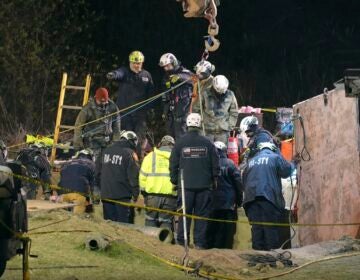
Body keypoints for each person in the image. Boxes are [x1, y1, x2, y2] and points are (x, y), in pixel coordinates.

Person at [170, 113, 220, 249]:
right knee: (201, 216)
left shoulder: (180, 142)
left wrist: (175, 181)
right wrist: (214, 179)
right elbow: (216, 164)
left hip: (185, 186)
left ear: (187, 124)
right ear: (199, 124)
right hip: (204, 186)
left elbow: (173, 163)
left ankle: (181, 242)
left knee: (184, 215)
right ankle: (199, 244)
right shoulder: (208, 143)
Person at [242, 142, 292, 251]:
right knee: (270, 229)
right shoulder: (275, 157)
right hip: (267, 198)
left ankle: (258, 258)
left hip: (250, 200)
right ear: (273, 149)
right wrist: (293, 163)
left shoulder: (250, 162)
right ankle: (271, 259)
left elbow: (244, 181)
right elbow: (286, 171)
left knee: (257, 229)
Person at [106, 50, 154, 158]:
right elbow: (119, 73)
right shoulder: (125, 72)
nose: (136, 65)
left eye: (139, 63)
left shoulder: (147, 76)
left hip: (140, 116)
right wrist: (113, 74)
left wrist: (151, 110)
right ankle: (123, 160)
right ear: (130, 63)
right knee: (124, 139)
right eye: (134, 63)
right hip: (125, 114)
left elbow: (151, 95)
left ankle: (137, 162)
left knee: (139, 140)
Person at [207, 141, 243, 249]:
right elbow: (238, 184)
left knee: (213, 229)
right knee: (228, 231)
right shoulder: (230, 164)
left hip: (212, 203)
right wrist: (239, 201)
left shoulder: (209, 165)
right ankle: (227, 251)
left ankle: (212, 251)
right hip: (228, 204)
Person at [98, 131, 140, 223]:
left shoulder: (106, 151)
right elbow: (133, 176)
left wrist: (99, 190)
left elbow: (98, 172)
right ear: (132, 141)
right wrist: (135, 193)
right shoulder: (130, 153)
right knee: (122, 225)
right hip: (122, 195)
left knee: (109, 224)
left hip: (106, 194)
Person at [73, 87, 121, 162]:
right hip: (91, 141)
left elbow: (117, 127)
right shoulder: (87, 108)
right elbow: (78, 127)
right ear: (96, 98)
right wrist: (78, 146)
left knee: (107, 163)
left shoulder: (113, 107)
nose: (102, 103)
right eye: (100, 101)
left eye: (104, 101)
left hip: (107, 140)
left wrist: (116, 142)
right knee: (94, 163)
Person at [139, 135, 177, 231]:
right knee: (166, 222)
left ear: (160, 144)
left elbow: (142, 177)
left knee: (150, 221)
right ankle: (165, 243)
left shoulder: (150, 156)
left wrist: (144, 193)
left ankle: (150, 244)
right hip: (170, 197)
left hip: (152, 196)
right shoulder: (176, 158)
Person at [159, 53, 194, 139]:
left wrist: (179, 77)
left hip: (182, 113)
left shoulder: (184, 72)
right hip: (170, 114)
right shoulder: (166, 77)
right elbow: (164, 95)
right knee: (169, 137)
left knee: (181, 137)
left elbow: (193, 78)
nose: (166, 68)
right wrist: (164, 111)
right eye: (164, 67)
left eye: (168, 66)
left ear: (174, 63)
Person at [52, 149, 96, 214]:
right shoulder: (91, 164)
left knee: (63, 214)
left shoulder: (68, 162)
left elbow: (61, 179)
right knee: (80, 216)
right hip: (79, 193)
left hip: (63, 193)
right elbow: (93, 185)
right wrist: (93, 200)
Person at [201, 75, 239, 143]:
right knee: (207, 152)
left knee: (221, 153)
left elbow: (234, 112)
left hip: (223, 133)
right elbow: (197, 109)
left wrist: (229, 126)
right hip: (207, 131)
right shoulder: (205, 93)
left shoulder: (230, 95)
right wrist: (200, 125)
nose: (220, 93)